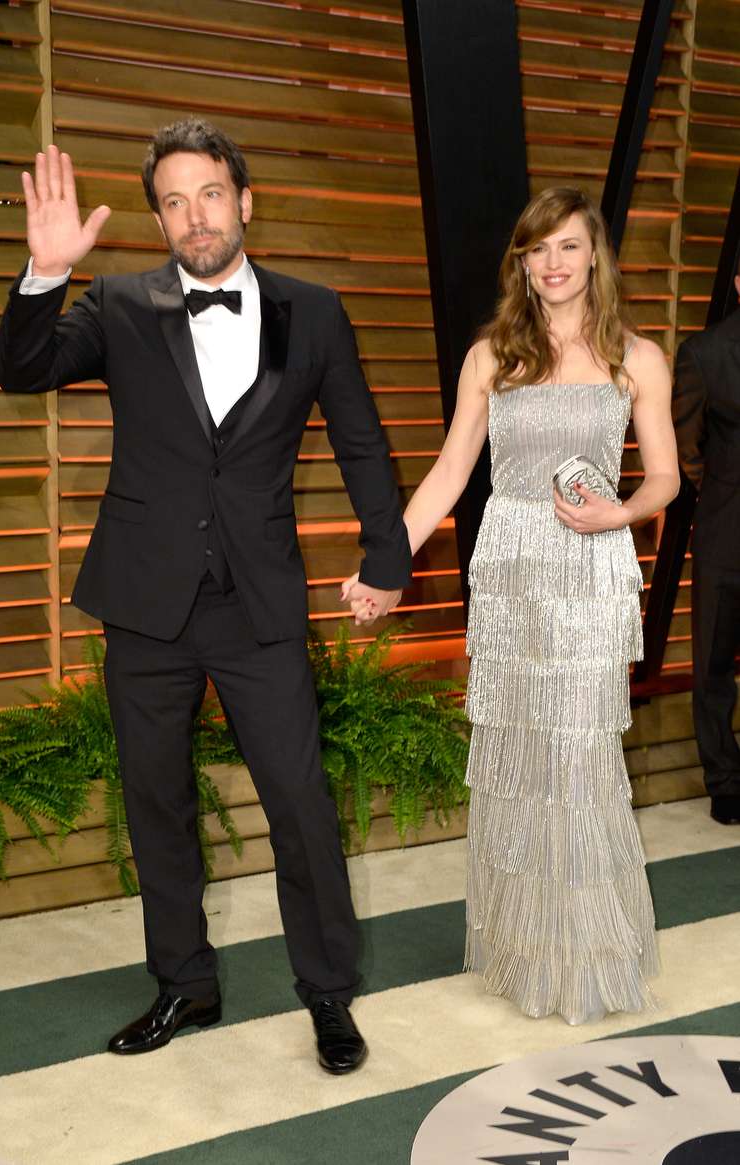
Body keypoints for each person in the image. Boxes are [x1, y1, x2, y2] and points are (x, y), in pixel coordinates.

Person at [0, 118, 410, 1071]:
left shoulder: (316, 311)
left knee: (300, 802)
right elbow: (22, 369)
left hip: (257, 603)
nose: (195, 216)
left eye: (210, 194)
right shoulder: (119, 305)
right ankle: (184, 981)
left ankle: (328, 990)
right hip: (146, 601)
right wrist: (44, 273)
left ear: (244, 201)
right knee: (157, 802)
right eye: (174, 201)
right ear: (157, 217)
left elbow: (359, 443)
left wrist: (386, 558)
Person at [347, 186, 680, 1023]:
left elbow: (668, 478)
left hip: (591, 569)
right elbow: (452, 473)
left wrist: (621, 511)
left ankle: (586, 952)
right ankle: (529, 947)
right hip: (511, 572)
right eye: (538, 250)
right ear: (522, 264)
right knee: (522, 762)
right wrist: (387, 562)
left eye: (569, 246)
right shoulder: (493, 355)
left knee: (579, 760)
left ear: (594, 255)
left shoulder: (636, 357)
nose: (555, 263)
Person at [673, 264, 740, 826]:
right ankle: (724, 780)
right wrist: (724, 489)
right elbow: (686, 450)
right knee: (713, 661)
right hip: (726, 529)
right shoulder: (705, 354)